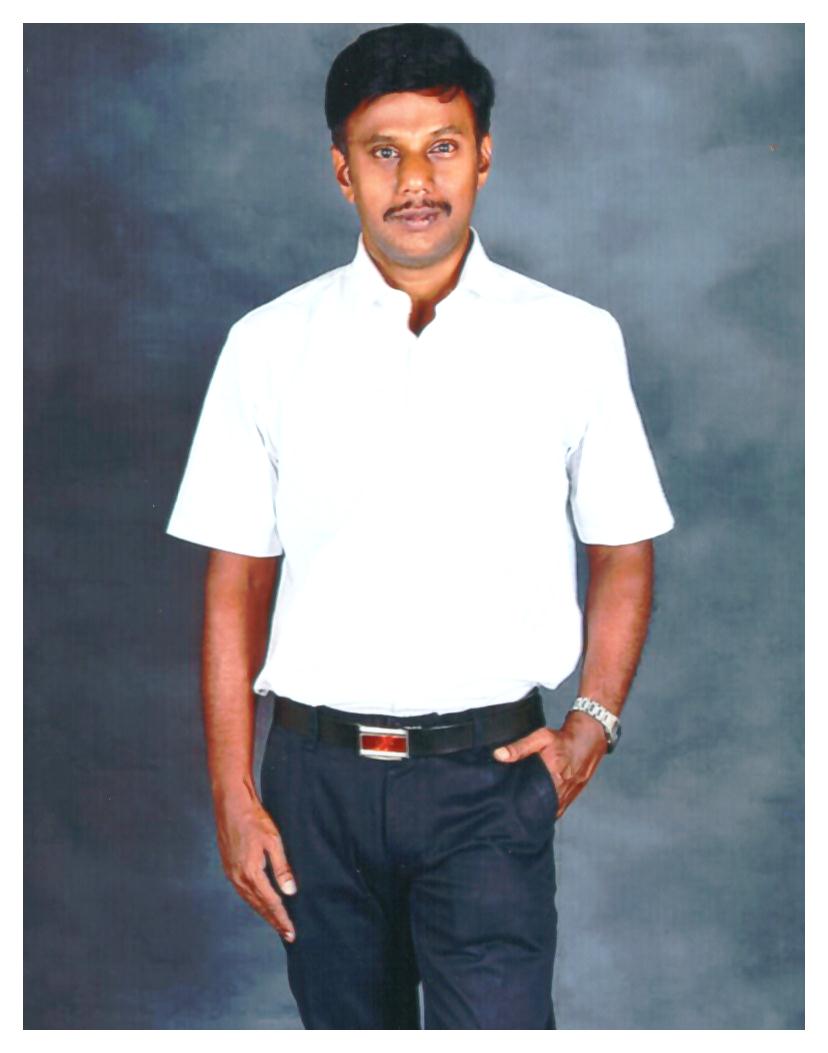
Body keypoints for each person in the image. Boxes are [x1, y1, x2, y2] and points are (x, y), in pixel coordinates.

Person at [166, 22, 675, 1030]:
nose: (415, 181)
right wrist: (233, 791)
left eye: (441, 146)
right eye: (382, 152)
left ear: (483, 155)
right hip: (313, 784)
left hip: (491, 782)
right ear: (341, 170)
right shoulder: (268, 346)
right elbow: (238, 582)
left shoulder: (573, 339)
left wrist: (594, 723)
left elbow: (622, 548)